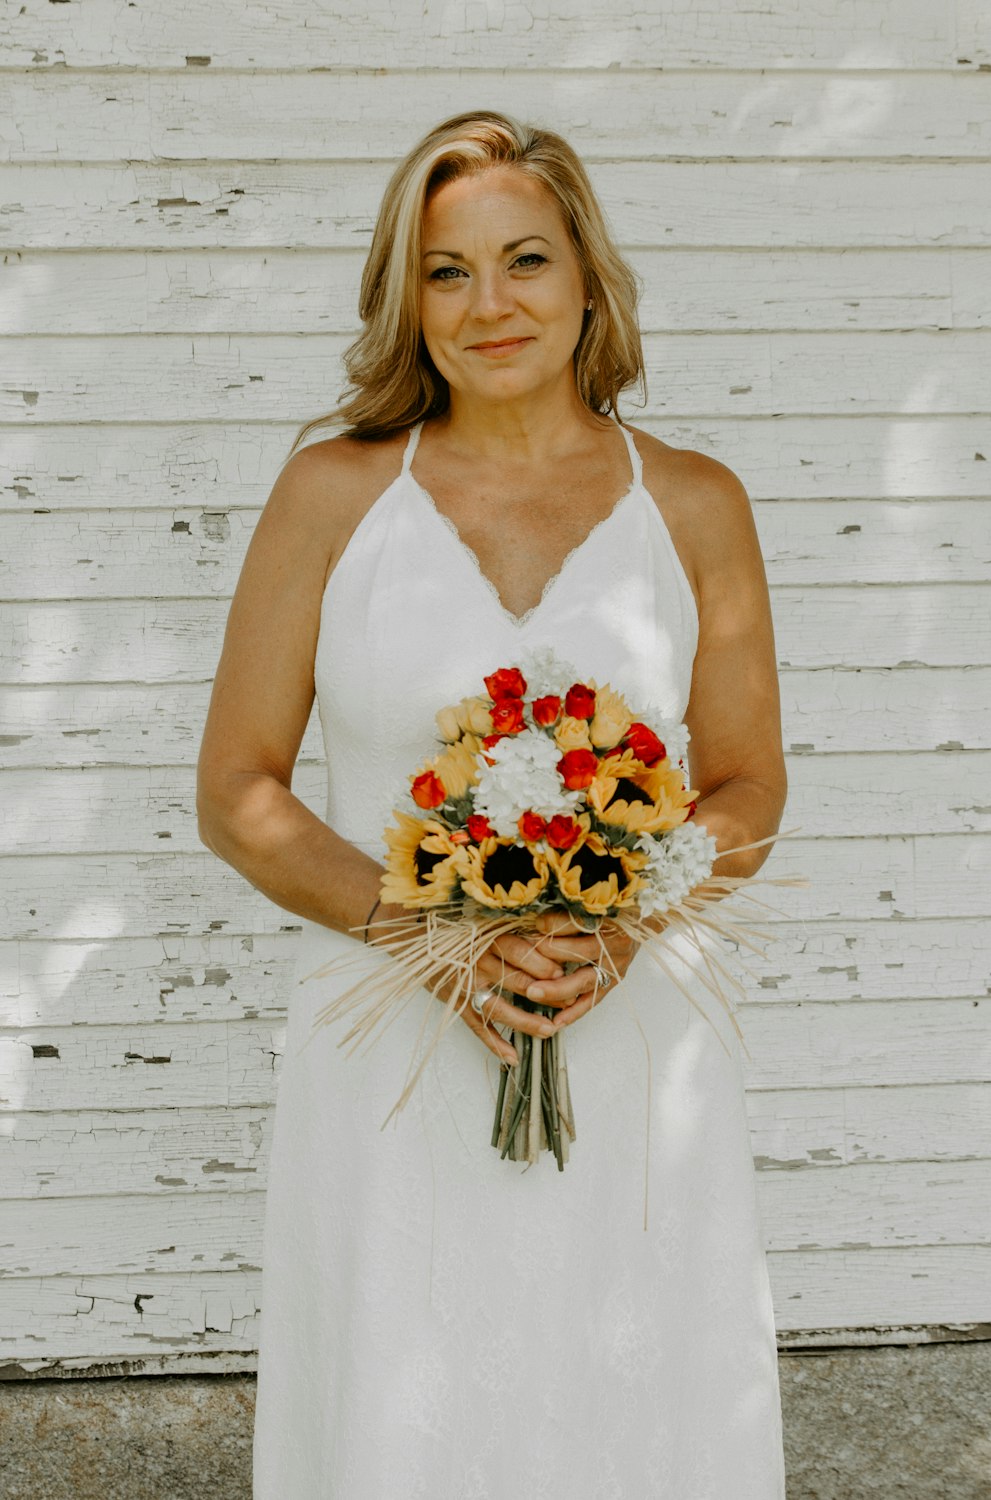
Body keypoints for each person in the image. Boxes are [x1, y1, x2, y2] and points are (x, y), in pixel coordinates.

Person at [197, 110, 788, 1498]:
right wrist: (433, 943)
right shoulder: (333, 495)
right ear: (407, 299)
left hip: (636, 1044)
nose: (488, 303)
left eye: (523, 259)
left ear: (589, 276)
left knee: (634, 1411)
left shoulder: (696, 503)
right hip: (387, 1053)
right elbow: (236, 791)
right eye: (444, 271)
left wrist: (623, 927)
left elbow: (749, 783)